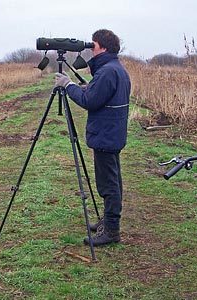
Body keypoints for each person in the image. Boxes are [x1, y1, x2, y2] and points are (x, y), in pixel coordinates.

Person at [54, 29, 131, 246]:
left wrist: (68, 85)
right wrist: (89, 87)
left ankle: (112, 231)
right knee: (113, 180)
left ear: (104, 47)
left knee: (108, 184)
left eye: (94, 45)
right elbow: (101, 95)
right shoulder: (116, 68)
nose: (91, 49)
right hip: (112, 134)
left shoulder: (107, 71)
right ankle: (108, 220)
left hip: (106, 135)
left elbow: (90, 101)